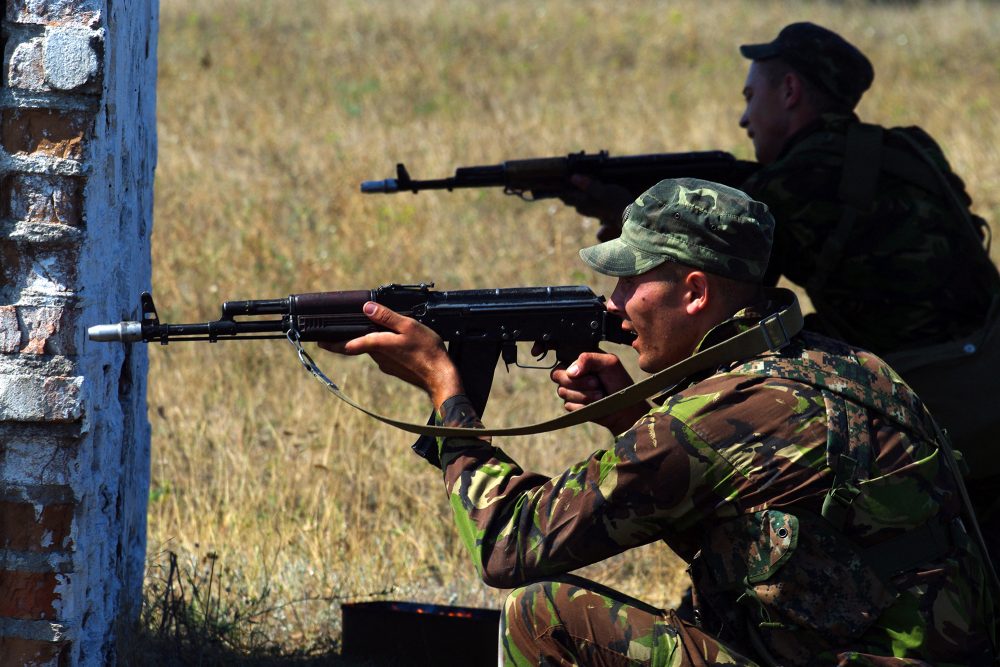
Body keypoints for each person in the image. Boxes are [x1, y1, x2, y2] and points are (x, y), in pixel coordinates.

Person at [323, 178, 997, 666]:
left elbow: (508, 544)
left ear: (697, 291)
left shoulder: (703, 423)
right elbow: (766, 527)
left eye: (631, 279)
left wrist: (446, 394)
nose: (615, 303)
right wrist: (632, 418)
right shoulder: (853, 367)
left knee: (545, 614)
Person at [560, 22, 1000, 554]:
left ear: (789, 91)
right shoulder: (910, 147)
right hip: (984, 369)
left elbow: (720, 301)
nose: (745, 118)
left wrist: (630, 229)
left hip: (918, 398)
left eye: (751, 96)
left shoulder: (794, 181)